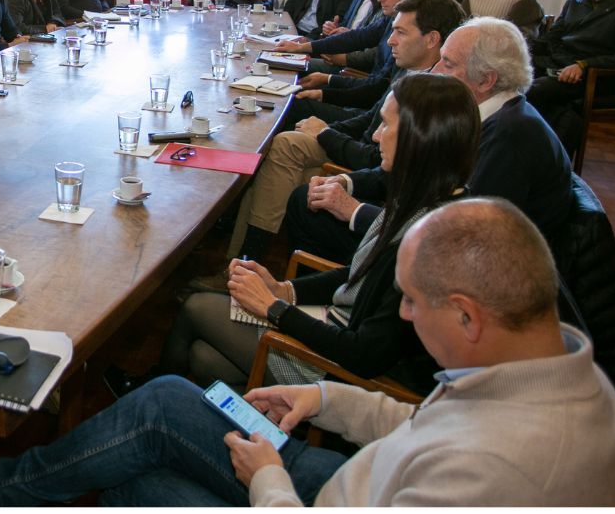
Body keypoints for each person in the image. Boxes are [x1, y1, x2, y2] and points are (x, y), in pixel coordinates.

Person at [0, 198, 615, 506]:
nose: (402, 313)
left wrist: (270, 477)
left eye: (410, 300)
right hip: (351, 471)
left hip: (311, 495)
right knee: (167, 405)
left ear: (466, 315)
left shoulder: (498, 468)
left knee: (128, 476)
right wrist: (329, 399)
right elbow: (432, 424)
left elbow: (456, 449)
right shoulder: (553, 371)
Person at [115, 74, 475, 401]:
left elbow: (364, 356)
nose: (377, 135)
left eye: (386, 125)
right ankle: (243, 415)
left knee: (195, 308)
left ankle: (144, 398)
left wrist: (275, 309)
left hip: (336, 368)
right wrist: (286, 290)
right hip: (333, 326)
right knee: (203, 358)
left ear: (419, 138)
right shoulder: (426, 198)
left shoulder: (430, 240)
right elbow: (357, 273)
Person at [189, 0, 464, 277]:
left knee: (284, 146)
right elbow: (369, 119)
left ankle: (245, 258)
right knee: (285, 139)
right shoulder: (408, 68)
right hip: (357, 151)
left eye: (400, 32)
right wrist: (326, 128)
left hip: (366, 167)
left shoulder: (431, 96)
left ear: (431, 39)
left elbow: (376, 152)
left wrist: (325, 135)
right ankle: (237, 253)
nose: (390, 40)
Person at [289, 16, 572, 264]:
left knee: (307, 206)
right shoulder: (486, 114)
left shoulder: (510, 138)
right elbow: (413, 170)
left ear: (486, 80)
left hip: (455, 266)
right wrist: (347, 182)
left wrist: (353, 209)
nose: (435, 71)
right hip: (423, 224)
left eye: (447, 63)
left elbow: (459, 239)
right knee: (310, 198)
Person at [277, 0, 423, 126]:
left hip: (366, 115)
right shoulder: (389, 19)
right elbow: (357, 37)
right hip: (366, 104)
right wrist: (303, 48)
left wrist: (326, 88)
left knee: (289, 104)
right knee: (292, 95)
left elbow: (375, 89)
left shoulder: (408, 43)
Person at [526, 0, 615, 153]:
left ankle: (539, 152)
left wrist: (583, 65)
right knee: (508, 74)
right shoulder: (576, 0)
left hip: (595, 75)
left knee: (534, 90)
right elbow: (553, 37)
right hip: (561, 63)